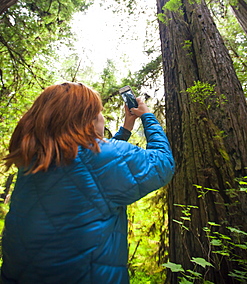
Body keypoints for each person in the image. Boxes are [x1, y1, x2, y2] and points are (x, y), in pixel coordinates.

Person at [1, 82, 175, 284]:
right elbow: (163, 163)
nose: (101, 117)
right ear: (87, 119)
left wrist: (126, 130)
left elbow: (95, 170)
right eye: (98, 112)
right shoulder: (98, 157)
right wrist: (147, 117)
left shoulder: (37, 157)